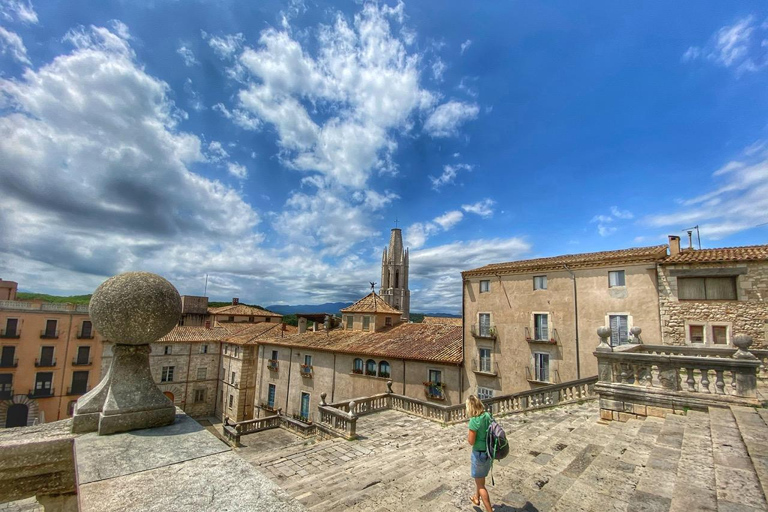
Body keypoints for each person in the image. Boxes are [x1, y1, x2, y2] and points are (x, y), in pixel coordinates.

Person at [466, 395, 493, 510]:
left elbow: (471, 442)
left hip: (479, 454)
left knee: (481, 485)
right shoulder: (487, 415)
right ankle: (476, 498)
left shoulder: (474, 421)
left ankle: (489, 510)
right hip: (488, 452)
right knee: (480, 478)